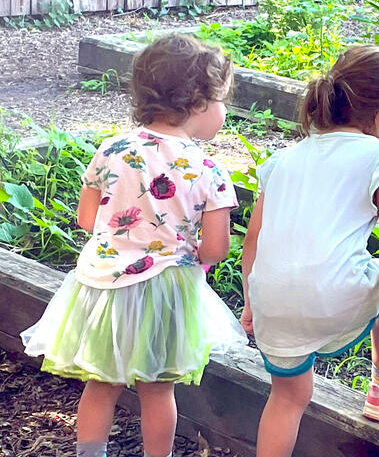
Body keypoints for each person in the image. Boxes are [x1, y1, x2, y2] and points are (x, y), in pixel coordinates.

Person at [21, 34, 247, 457]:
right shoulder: (209, 168)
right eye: (221, 100)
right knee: (158, 390)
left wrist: (123, 236)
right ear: (197, 103)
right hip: (165, 290)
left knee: (101, 384)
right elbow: (216, 248)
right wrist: (191, 252)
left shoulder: (112, 149)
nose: (224, 111)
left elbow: (87, 219)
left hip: (104, 287)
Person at [239, 45, 379, 457]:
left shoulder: (283, 158)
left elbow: (253, 238)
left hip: (270, 298)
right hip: (333, 291)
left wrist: (252, 302)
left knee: (287, 399)